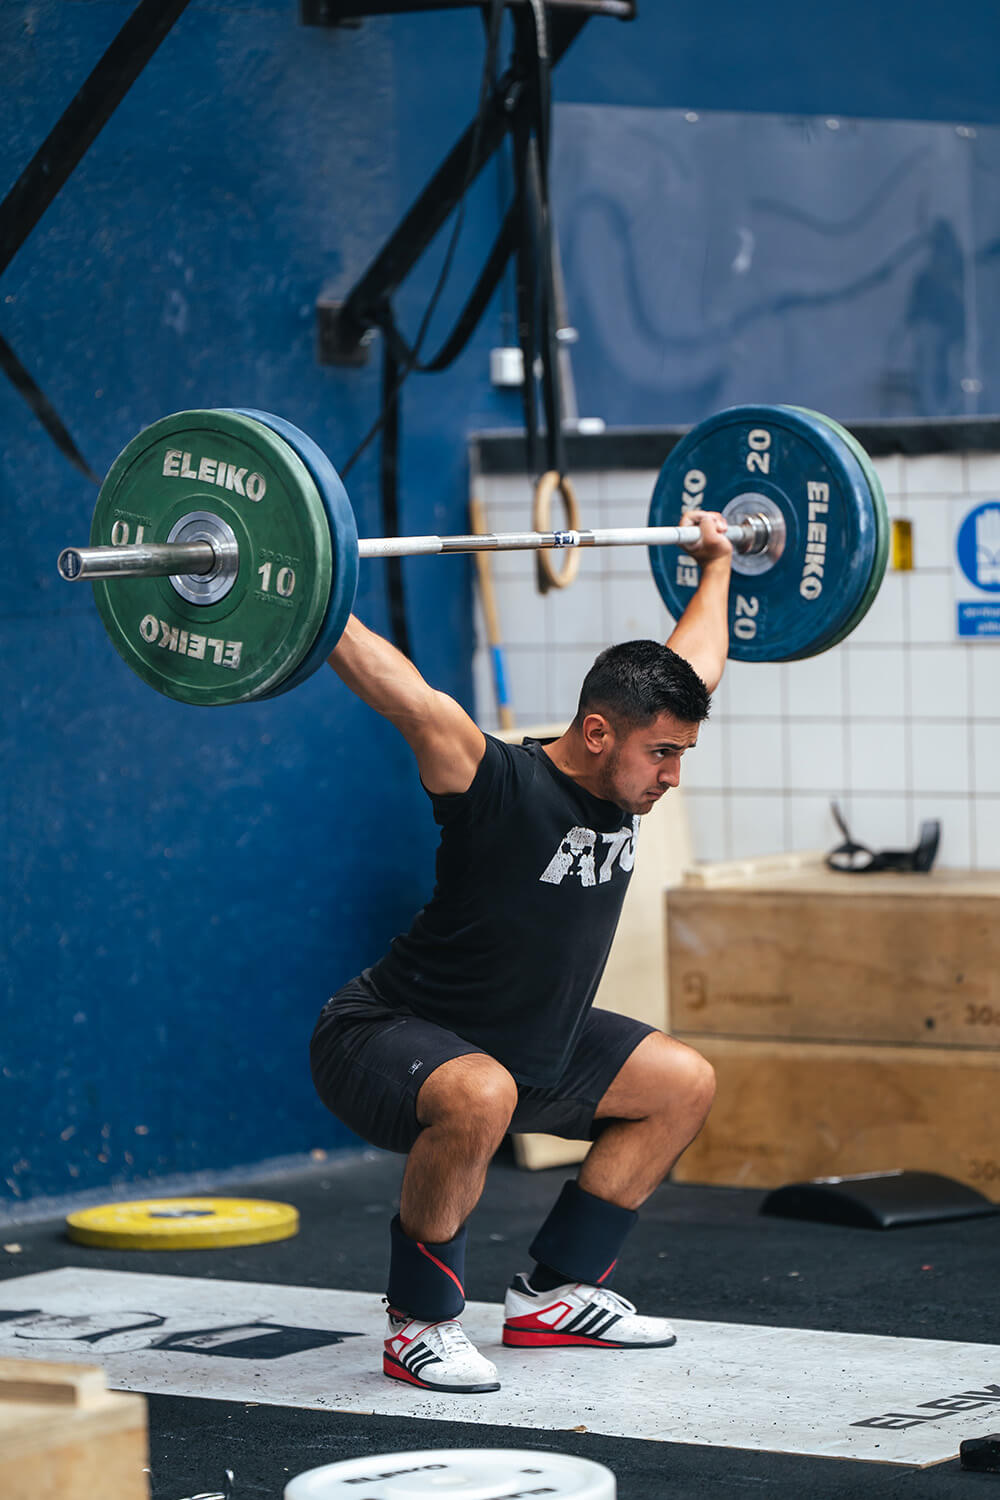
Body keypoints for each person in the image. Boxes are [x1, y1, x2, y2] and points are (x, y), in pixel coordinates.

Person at [310, 510, 731, 1393]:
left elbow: (697, 662)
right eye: (662, 753)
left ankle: (555, 1293)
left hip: (531, 1043)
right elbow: (408, 697)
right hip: (385, 1036)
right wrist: (308, 580)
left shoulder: (630, 785)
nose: (672, 776)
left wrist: (717, 562)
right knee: (480, 1091)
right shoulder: (494, 780)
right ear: (595, 733)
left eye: (682, 753)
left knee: (681, 1083)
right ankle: (420, 1323)